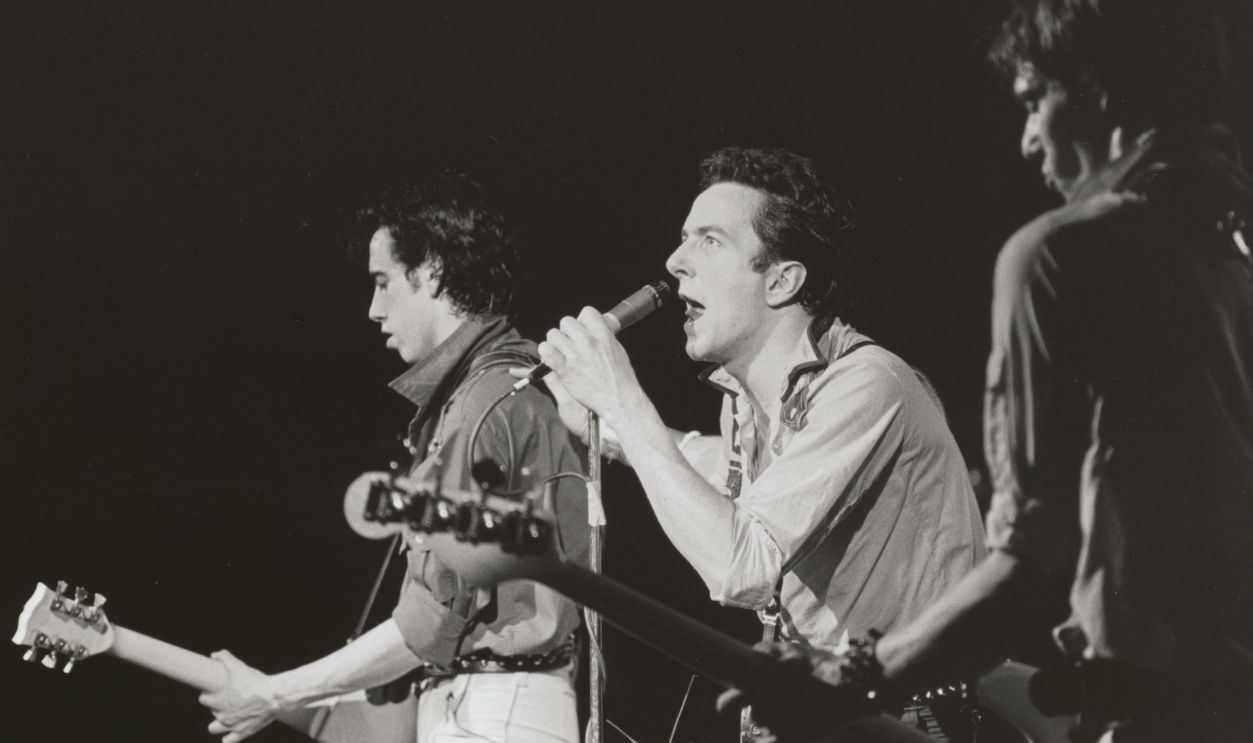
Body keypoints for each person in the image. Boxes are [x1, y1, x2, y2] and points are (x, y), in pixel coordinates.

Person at [719, 2, 1253, 742]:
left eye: (1036, 100)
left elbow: (1034, 563)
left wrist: (854, 674)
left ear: (1097, 86)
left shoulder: (1060, 257)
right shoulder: (1229, 250)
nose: (1028, 139)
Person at [533, 146, 986, 731]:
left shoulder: (866, 383)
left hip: (901, 721)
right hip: (819, 707)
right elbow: (722, 468)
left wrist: (624, 398)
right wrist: (606, 422)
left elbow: (740, 568)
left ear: (781, 281)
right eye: (683, 238)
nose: (674, 262)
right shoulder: (749, 402)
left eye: (709, 241)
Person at [198, 172, 589, 743]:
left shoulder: (482, 404)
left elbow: (430, 621)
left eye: (383, 282)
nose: (373, 309)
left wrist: (276, 692)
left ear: (429, 270)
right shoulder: (496, 393)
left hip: (492, 711)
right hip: (495, 705)